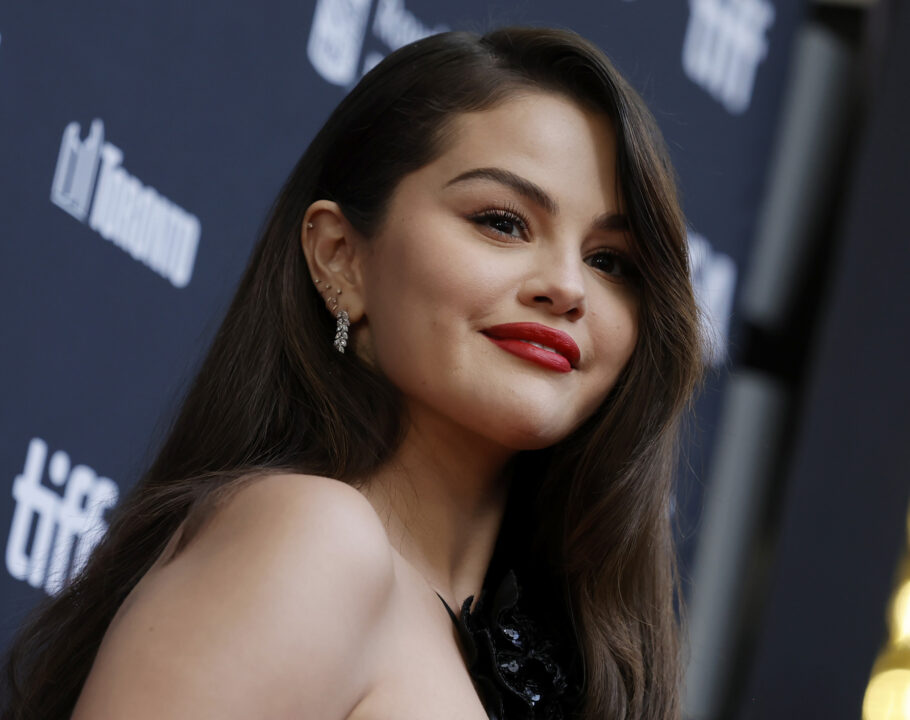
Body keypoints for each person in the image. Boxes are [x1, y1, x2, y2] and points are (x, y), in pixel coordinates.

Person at [1, 26, 702, 720]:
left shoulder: (570, 663)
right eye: (502, 221)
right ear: (340, 257)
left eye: (610, 261)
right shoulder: (315, 540)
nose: (567, 287)